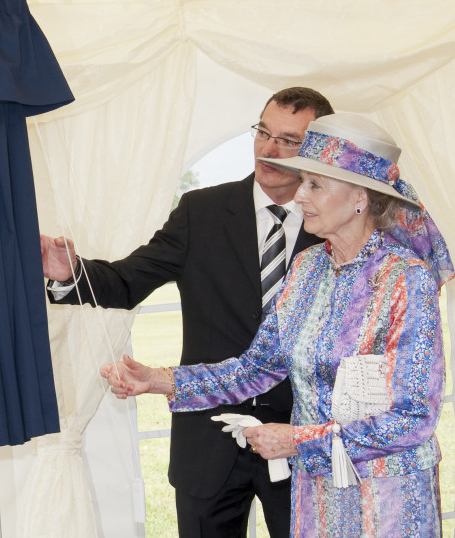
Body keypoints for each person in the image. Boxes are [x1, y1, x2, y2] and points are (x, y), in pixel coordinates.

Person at [100, 113, 454, 536]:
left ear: (360, 196)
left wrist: (297, 441)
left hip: (388, 500)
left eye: (314, 184)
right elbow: (257, 368)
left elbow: (414, 417)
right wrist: (159, 380)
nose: (299, 195)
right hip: (317, 497)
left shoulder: (404, 279)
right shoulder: (306, 269)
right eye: (303, 181)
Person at [41, 87, 333, 537]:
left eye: (289, 140)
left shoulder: (335, 227)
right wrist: (72, 273)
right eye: (263, 132)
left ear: (319, 150)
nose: (269, 149)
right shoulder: (201, 211)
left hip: (301, 439)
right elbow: (128, 279)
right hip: (207, 443)